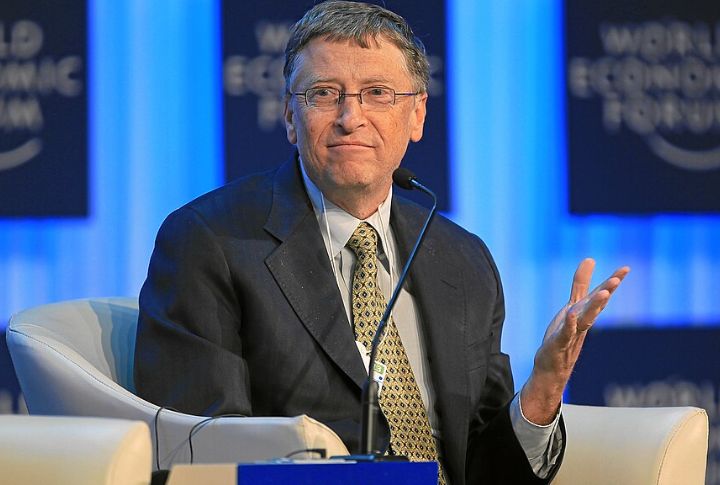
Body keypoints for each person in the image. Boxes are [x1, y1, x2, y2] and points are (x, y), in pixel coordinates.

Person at [134, 2, 630, 484]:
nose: (351, 117)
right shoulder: (211, 242)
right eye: (324, 94)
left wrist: (543, 390)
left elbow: (484, 468)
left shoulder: (462, 259)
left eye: (377, 93)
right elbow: (204, 452)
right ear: (289, 115)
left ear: (417, 116)